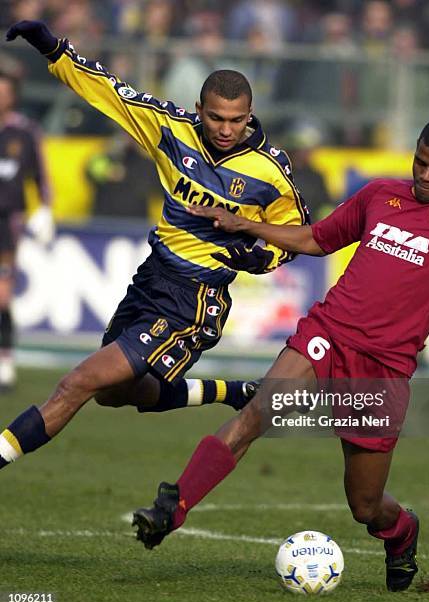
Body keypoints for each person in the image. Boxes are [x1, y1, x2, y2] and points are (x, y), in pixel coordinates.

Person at [131, 118, 429, 592]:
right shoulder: (379, 196)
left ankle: (402, 530)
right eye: (420, 162)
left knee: (365, 505)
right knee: (255, 415)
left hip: (383, 370)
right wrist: (248, 224)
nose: (425, 175)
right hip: (328, 332)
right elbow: (316, 239)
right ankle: (174, 506)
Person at [0, 23, 308, 470]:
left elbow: (297, 235)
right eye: (216, 117)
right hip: (150, 280)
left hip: (192, 299)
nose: (225, 129)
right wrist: (53, 48)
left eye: (236, 120)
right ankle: (231, 390)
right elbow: (109, 92)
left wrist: (255, 255)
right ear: (199, 108)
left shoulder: (270, 170)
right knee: (110, 394)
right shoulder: (170, 129)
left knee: (78, 382)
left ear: (250, 113)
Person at [0, 71, 53, 391]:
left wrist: (45, 210)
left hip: (6, 222)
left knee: (2, 297)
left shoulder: (25, 132)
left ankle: (4, 361)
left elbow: (42, 177)